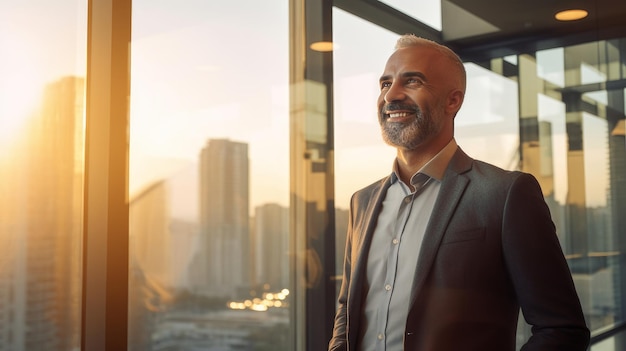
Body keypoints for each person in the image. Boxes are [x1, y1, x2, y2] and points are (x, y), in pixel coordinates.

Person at [328, 34, 590, 351]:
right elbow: (347, 312)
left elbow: (561, 329)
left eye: (411, 81)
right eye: (385, 84)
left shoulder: (505, 194)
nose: (391, 95)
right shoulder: (363, 201)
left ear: (453, 101)